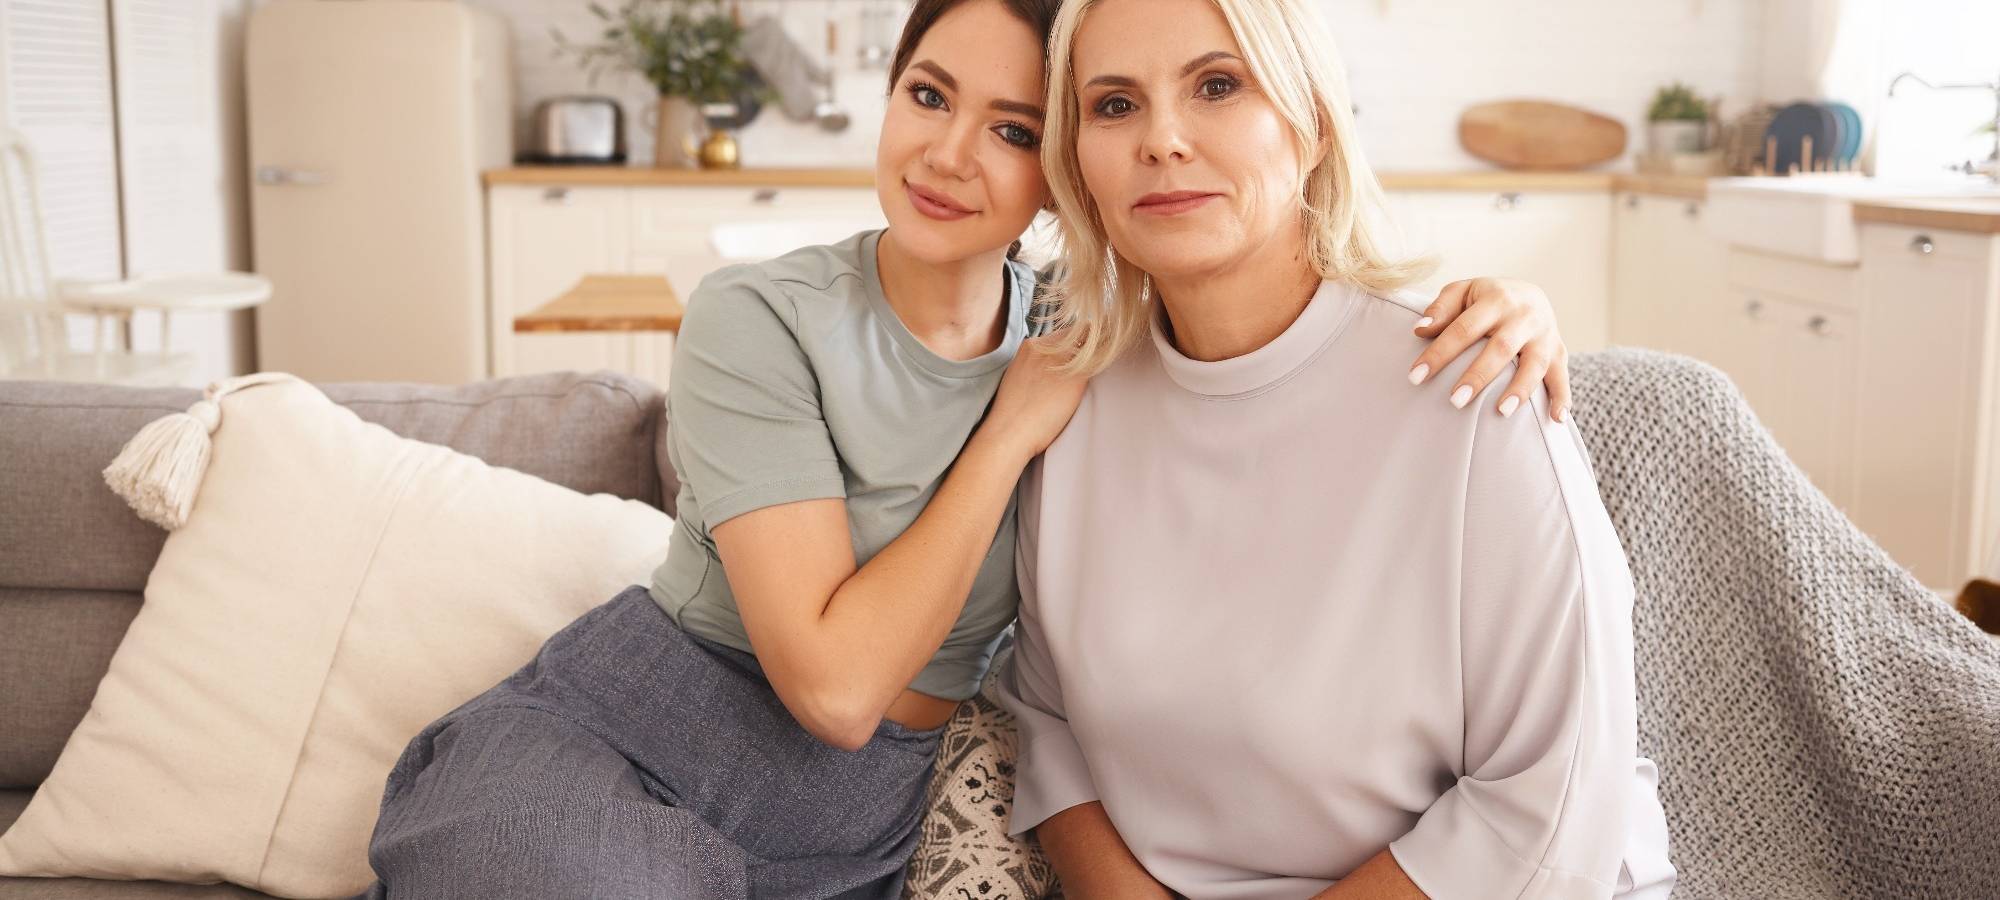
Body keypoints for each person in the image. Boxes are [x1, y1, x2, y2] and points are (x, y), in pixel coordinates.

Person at [353, 0, 1583, 897]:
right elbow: (833, 689)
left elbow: (1283, 344)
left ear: (1058, 176)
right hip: (644, 732)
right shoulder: (770, 319)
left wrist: (1514, 304)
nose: (946, 154)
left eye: (1008, 128)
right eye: (927, 94)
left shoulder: (1096, 336)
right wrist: (1005, 436)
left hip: (861, 815)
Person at [995, 0, 1678, 898]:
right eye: (1114, 105)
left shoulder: (1476, 389)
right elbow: (1047, 721)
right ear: (1076, 162)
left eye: (1216, 85)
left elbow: (1551, 803)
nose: (1161, 139)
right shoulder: (1071, 406)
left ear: (1312, 121)